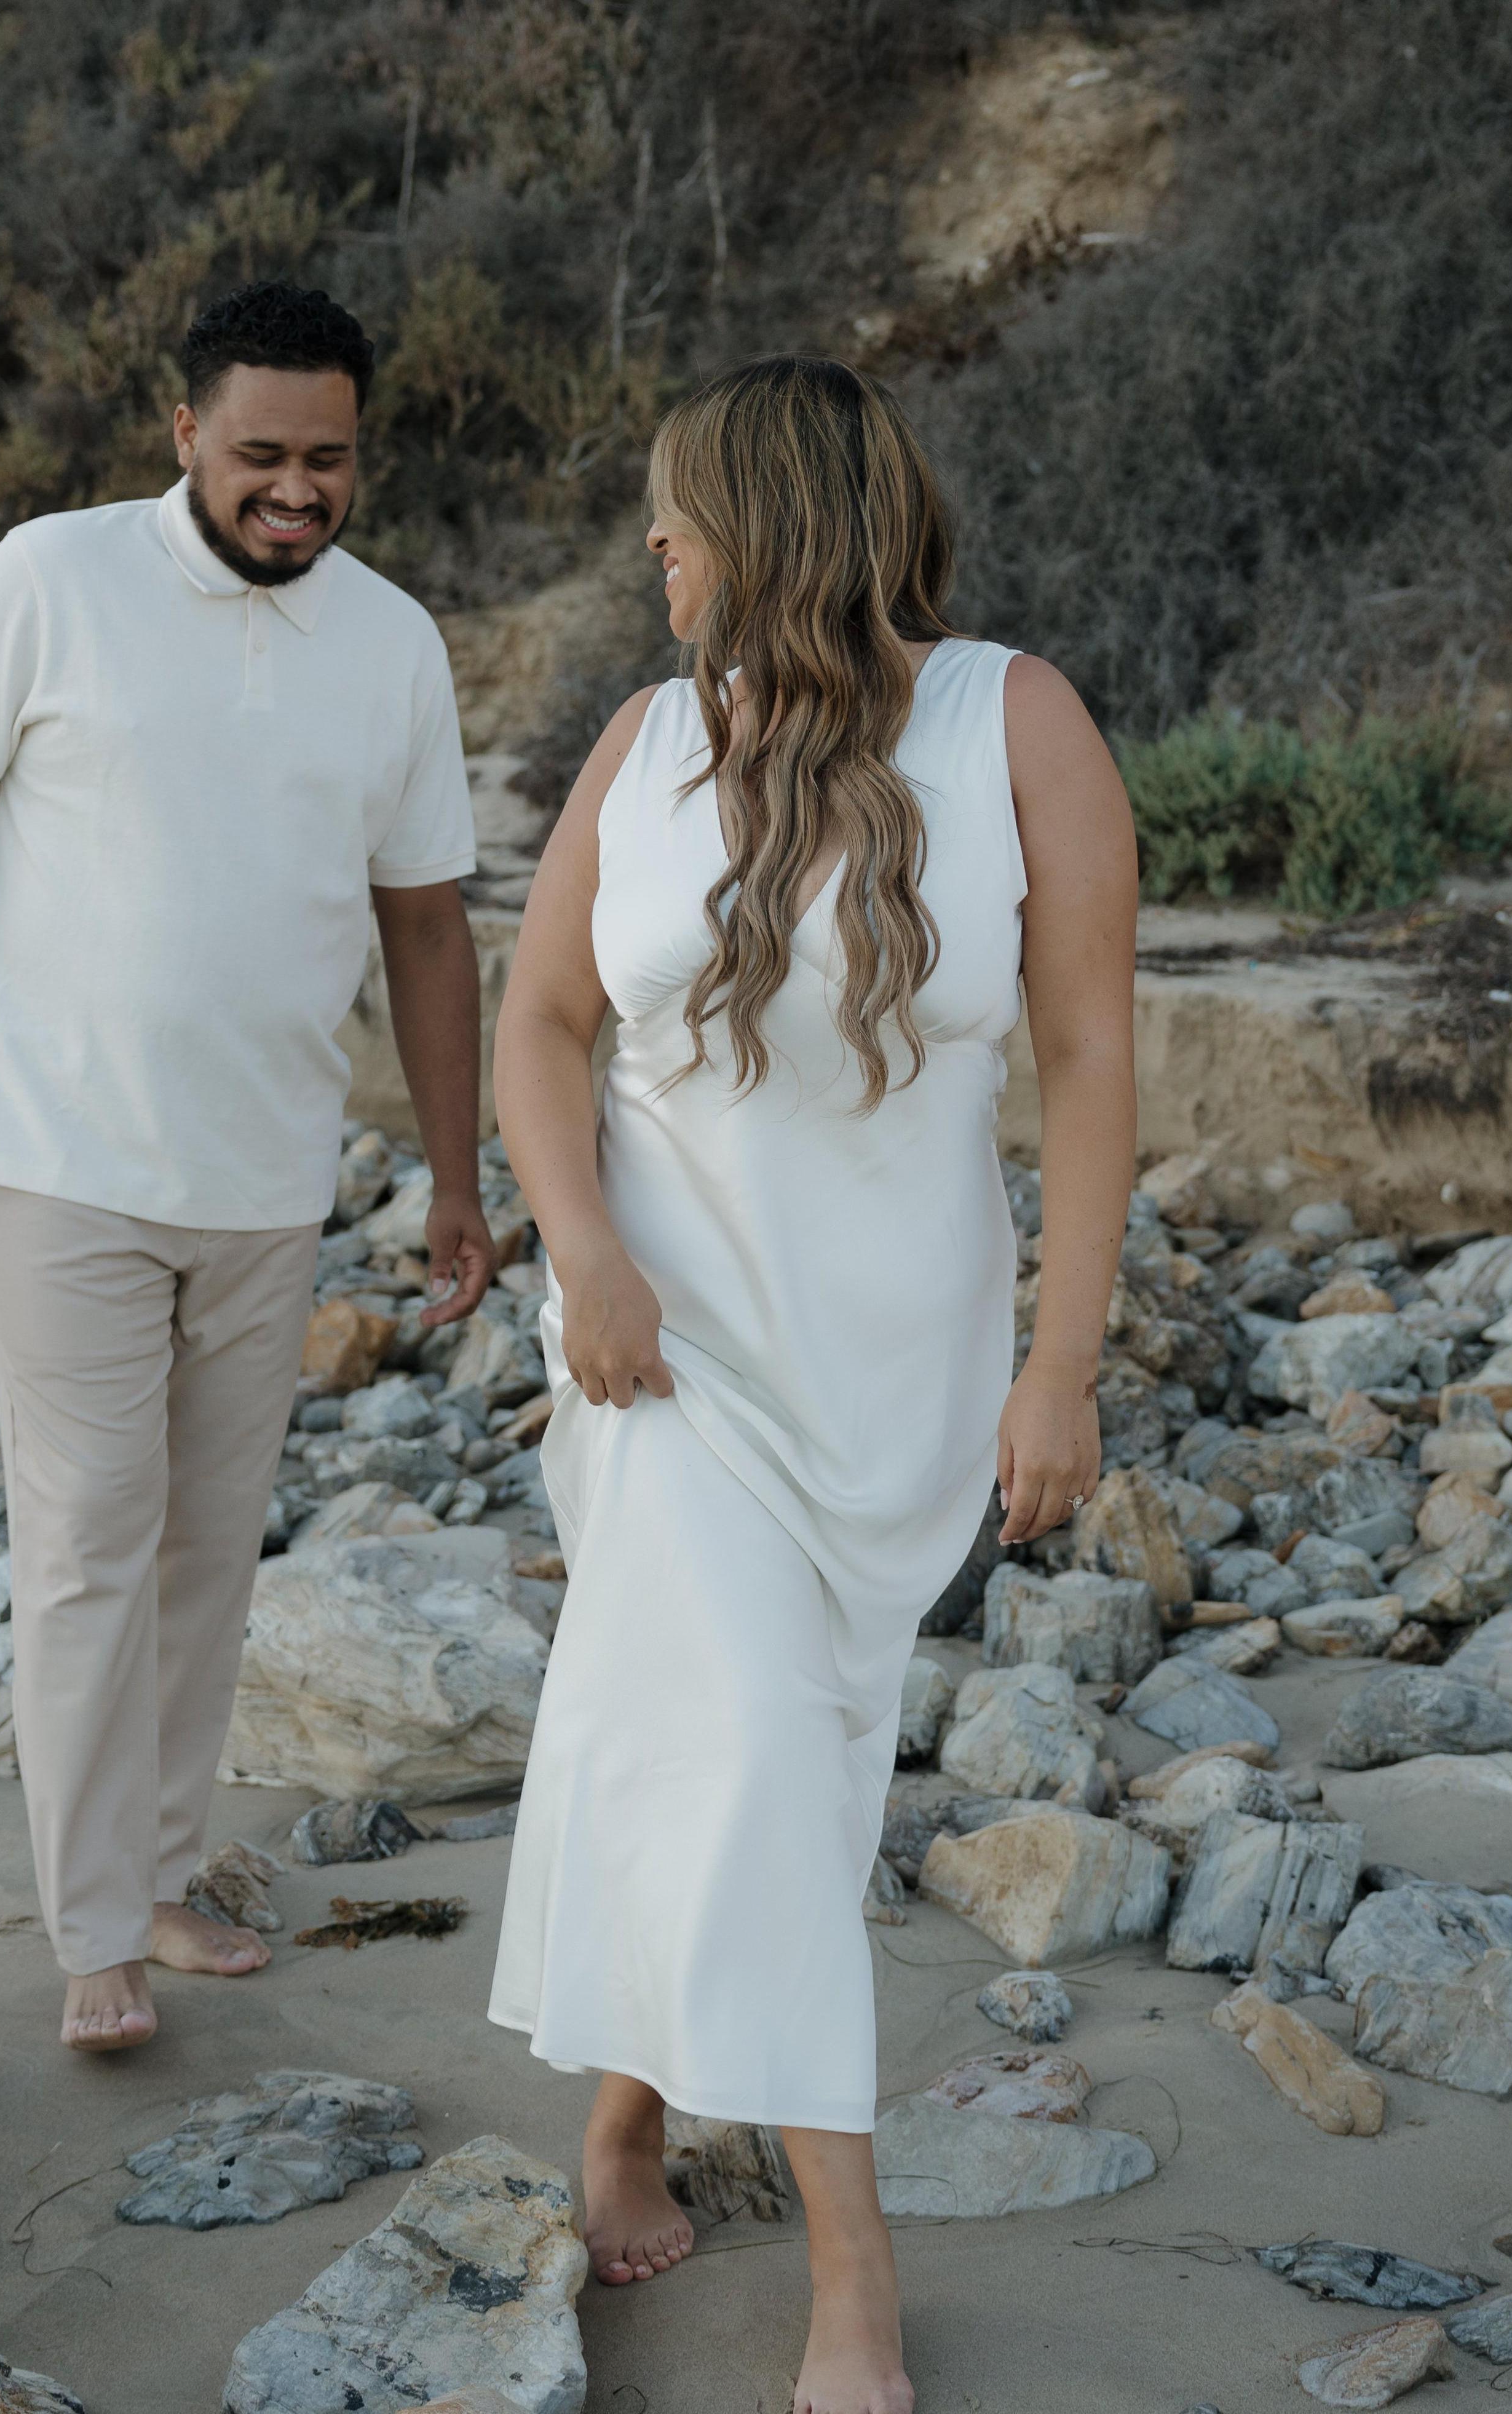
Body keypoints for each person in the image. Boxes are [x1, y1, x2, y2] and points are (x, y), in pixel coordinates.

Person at [488, 358, 1139, 2414]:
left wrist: (1062, 1361)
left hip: (896, 1366)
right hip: (662, 1352)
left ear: (768, 523)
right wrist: (583, 1257)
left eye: (679, 515)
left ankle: (628, 2105)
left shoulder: (1014, 722)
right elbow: (539, 1024)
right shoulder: (644, 743)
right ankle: (854, 2270)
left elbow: (1092, 1062)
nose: (653, 550)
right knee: (760, 1745)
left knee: (769, 1757)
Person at [0, 281, 493, 2054]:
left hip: (269, 1178)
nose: (298, 489)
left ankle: (155, 1875)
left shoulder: (393, 643)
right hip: (58, 1160)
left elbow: (427, 927)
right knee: (85, 1542)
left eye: (330, 458)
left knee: (210, 1553)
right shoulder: (51, 577)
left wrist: (455, 1178)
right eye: (263, 452)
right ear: (187, 432)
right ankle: (92, 1942)